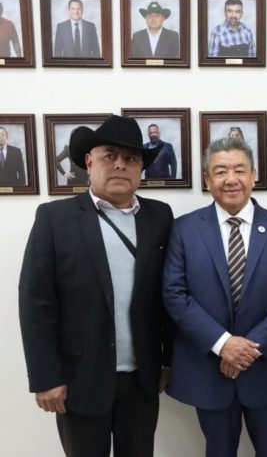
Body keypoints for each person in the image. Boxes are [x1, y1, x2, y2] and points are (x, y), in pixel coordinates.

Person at [18, 115, 173, 456]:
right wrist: (45, 377)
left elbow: (169, 295)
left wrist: (168, 360)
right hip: (79, 378)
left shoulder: (160, 216)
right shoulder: (54, 219)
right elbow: (36, 302)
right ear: (89, 162)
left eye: (130, 158)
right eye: (109, 156)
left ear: (140, 168)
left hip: (142, 378)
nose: (120, 165)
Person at [163, 137, 267, 457]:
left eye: (239, 170)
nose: (231, 179)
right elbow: (174, 294)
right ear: (207, 179)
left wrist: (248, 349)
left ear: (254, 175)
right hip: (209, 370)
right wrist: (223, 343)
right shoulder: (184, 229)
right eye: (220, 171)